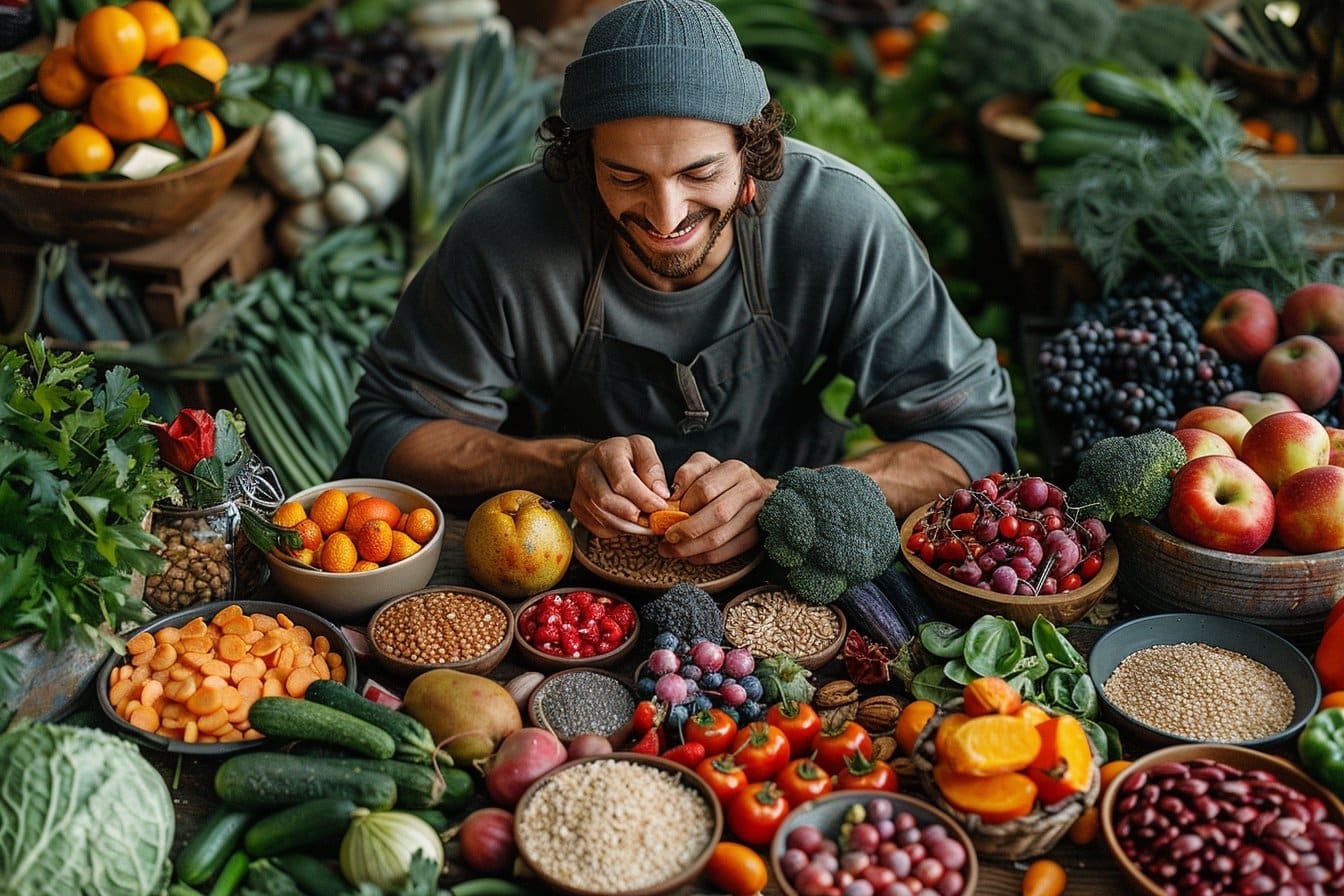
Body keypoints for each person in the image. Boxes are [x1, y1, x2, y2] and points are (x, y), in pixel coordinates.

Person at [344, 0, 1016, 565]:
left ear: (752, 162)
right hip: (562, 554)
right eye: (627, 177)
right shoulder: (505, 238)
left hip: (793, 560)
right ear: (583, 168)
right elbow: (389, 432)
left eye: (699, 174)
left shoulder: (842, 224)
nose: (666, 218)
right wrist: (558, 466)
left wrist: (793, 497)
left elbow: (972, 437)